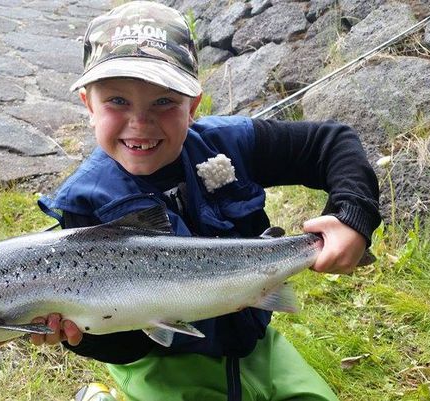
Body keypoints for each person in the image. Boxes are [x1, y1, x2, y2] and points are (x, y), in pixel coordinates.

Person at [34, 1, 381, 400]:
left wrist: (353, 216)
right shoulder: (82, 205)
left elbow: (331, 143)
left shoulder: (230, 144)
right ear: (88, 107)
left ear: (193, 106)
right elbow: (126, 348)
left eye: (164, 102)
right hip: (162, 362)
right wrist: (81, 336)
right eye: (117, 101)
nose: (140, 122)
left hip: (256, 345)